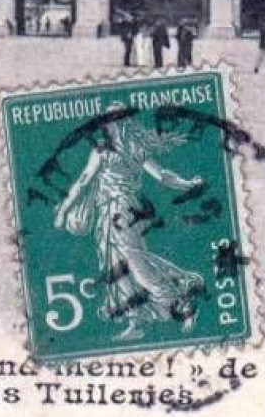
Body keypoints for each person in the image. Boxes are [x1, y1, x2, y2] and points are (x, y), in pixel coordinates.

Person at [55, 110, 206, 340]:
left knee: (135, 265)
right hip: (119, 213)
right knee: (117, 266)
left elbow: (85, 180)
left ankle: (180, 301)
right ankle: (137, 319)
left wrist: (65, 210)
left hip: (119, 213)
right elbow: (163, 175)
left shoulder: (106, 151)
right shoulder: (131, 149)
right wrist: (187, 184)